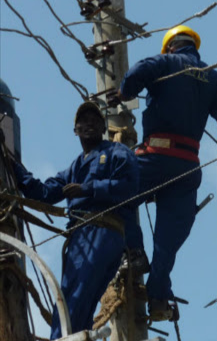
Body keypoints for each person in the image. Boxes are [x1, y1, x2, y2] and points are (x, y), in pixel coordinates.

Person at [116, 25, 217, 320]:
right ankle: (157, 299)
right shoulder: (213, 77)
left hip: (155, 157)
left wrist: (123, 93)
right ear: (193, 46)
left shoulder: (166, 63)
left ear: (170, 46)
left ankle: (134, 253)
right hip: (187, 166)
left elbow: (137, 73)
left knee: (116, 194)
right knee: (167, 242)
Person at [12, 101, 139, 339]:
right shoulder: (75, 168)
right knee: (75, 302)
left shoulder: (116, 153)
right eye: (83, 121)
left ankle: (62, 338)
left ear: (103, 127)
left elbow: (130, 187)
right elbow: (44, 193)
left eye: (94, 120)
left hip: (101, 232)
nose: (89, 124)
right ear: (76, 131)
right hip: (82, 238)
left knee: (74, 300)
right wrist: (13, 165)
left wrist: (89, 189)